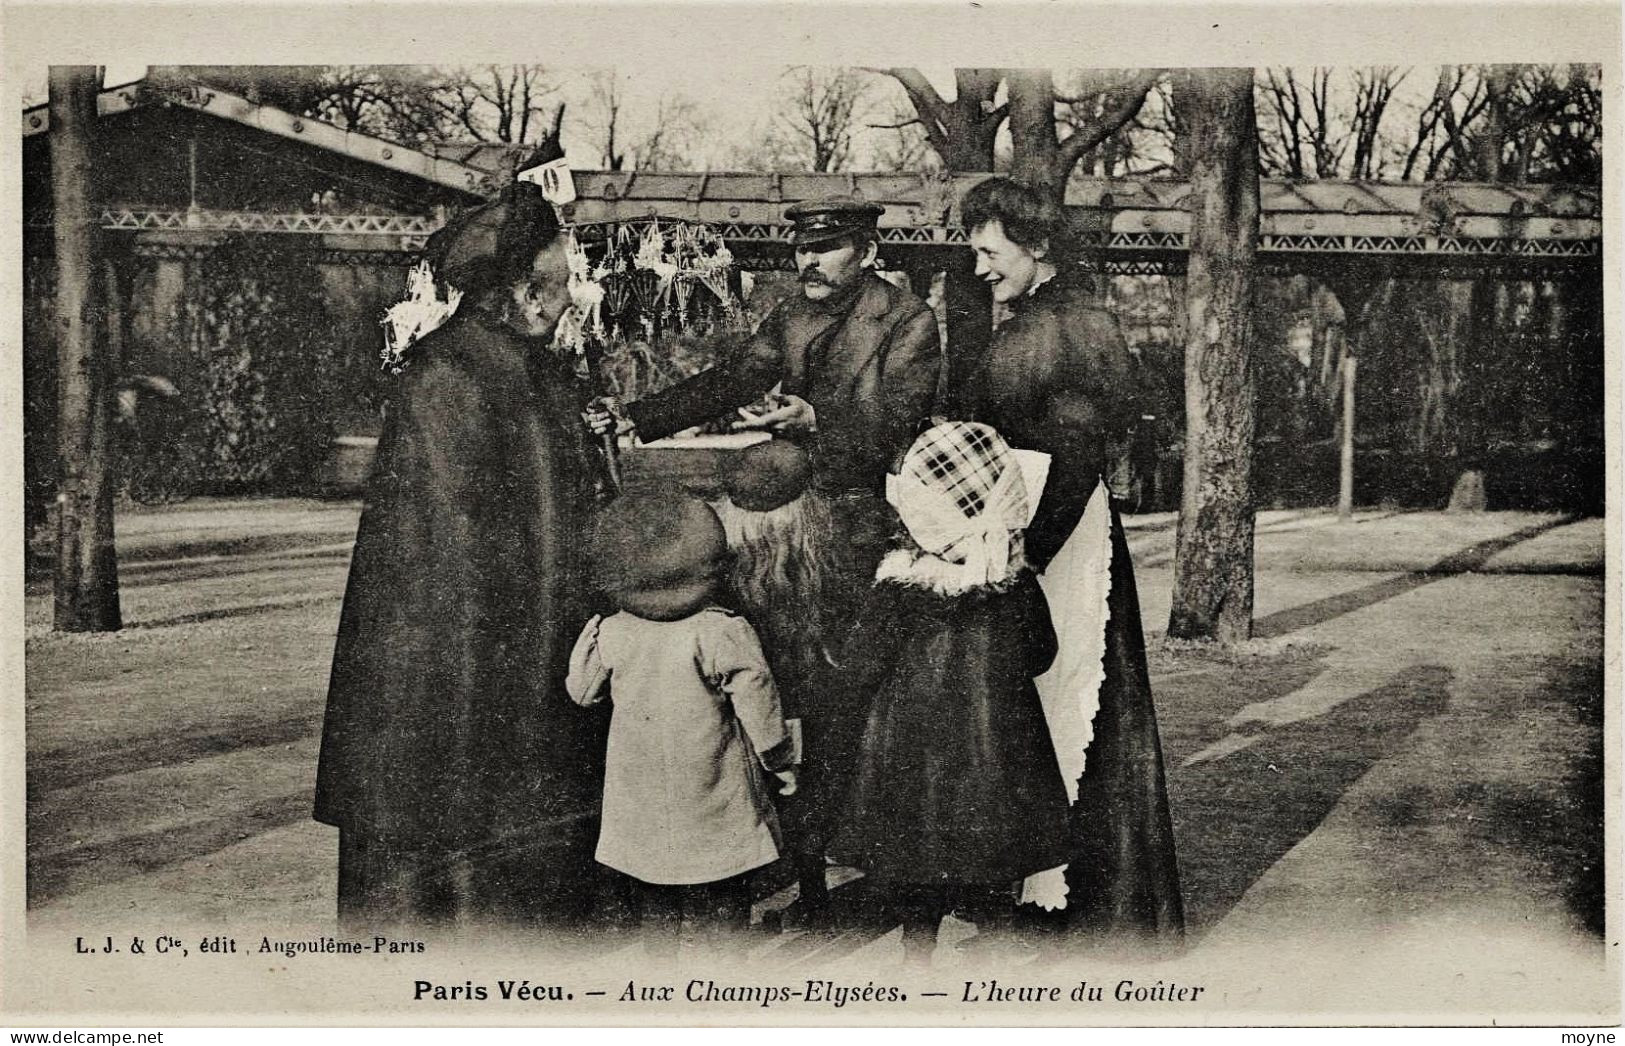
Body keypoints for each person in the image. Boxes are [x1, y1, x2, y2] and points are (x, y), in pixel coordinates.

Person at [314, 180, 609, 927]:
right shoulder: (449, 375)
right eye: (562, 283)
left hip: (519, 653)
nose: (571, 298)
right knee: (451, 821)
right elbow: (451, 556)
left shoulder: (523, 367)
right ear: (523, 292)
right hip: (462, 667)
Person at [952, 176, 1185, 943]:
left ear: (1037, 244)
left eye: (989, 251)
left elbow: (1079, 451)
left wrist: (1025, 550)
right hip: (1029, 526)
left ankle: (1089, 910)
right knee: (1037, 705)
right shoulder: (1039, 318)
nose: (980, 267)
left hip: (1062, 533)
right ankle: (1044, 893)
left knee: (1074, 702)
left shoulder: (1074, 323)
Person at [830, 421, 1072, 964]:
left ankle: (917, 951)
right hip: (995, 748)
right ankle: (1000, 942)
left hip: (913, 750)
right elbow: (1041, 655)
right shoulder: (1014, 586)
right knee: (993, 847)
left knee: (916, 853)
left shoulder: (899, 588)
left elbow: (860, 665)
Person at [566, 493, 797, 958]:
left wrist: (588, 649)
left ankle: (660, 977)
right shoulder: (720, 630)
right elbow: (759, 702)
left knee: (655, 887)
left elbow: (583, 692)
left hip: (641, 792)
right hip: (712, 788)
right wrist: (781, 759)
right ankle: (722, 975)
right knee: (724, 885)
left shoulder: (613, 630)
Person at [708, 439, 841, 917]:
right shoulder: (825, 563)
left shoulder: (719, 571)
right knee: (810, 795)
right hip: (812, 703)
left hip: (747, 710)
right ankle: (814, 890)